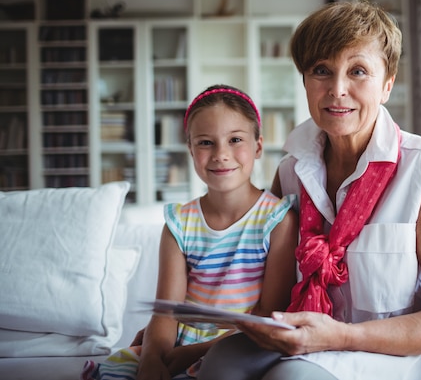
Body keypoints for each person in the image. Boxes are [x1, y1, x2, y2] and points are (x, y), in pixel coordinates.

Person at [197, 1, 421, 380]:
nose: (337, 89)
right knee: (221, 365)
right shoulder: (290, 172)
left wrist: (341, 336)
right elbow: (272, 296)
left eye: (358, 71)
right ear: (305, 81)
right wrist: (188, 348)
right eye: (321, 71)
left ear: (387, 84)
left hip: (415, 354)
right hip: (318, 342)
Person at [81, 85, 299, 380]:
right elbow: (167, 311)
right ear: (191, 149)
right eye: (206, 142)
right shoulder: (179, 224)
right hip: (179, 343)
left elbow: (269, 315)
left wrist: (195, 353)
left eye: (235, 139)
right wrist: (151, 357)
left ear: (258, 146)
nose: (221, 154)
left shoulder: (278, 221)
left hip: (241, 345)